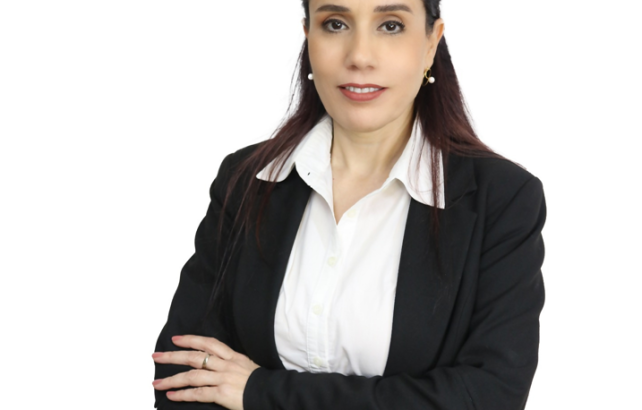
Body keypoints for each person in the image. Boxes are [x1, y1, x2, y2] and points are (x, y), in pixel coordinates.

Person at [151, 0, 547, 409]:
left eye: (390, 25)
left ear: (432, 42)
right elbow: (181, 376)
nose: (359, 56)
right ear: (308, 37)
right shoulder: (246, 179)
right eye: (335, 24)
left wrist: (259, 392)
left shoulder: (501, 200)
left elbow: (489, 396)